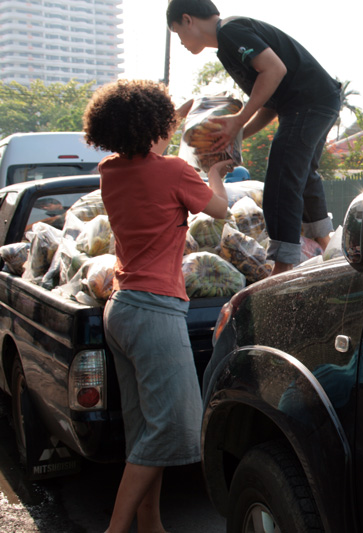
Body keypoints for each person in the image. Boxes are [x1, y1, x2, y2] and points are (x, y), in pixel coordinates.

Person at [82, 79, 230, 533]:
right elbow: (221, 210)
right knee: (177, 427)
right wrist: (216, 174)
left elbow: (149, 145)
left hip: (121, 310)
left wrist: (178, 117)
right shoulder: (174, 173)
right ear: (154, 126)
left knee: (145, 428)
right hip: (155, 311)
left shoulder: (110, 170)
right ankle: (116, 529)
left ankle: (151, 523)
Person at [166, 0, 341, 276]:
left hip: (309, 102)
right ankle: (327, 244)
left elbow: (274, 69)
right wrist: (238, 134)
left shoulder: (230, 31)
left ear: (188, 19)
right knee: (303, 173)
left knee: (283, 176)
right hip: (316, 101)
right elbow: (270, 101)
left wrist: (238, 119)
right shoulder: (226, 48)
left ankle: (283, 266)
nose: (181, 42)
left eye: (177, 33)